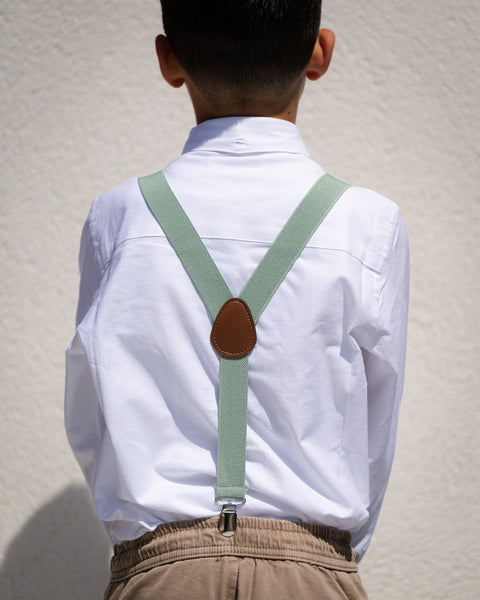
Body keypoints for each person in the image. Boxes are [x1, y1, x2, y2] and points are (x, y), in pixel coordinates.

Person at [65, 1, 409, 598]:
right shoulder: (369, 224)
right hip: (313, 572)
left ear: (168, 59)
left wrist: (148, 551)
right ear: (319, 53)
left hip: (162, 571)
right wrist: (323, 560)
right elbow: (377, 427)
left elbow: (89, 413)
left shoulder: (117, 218)